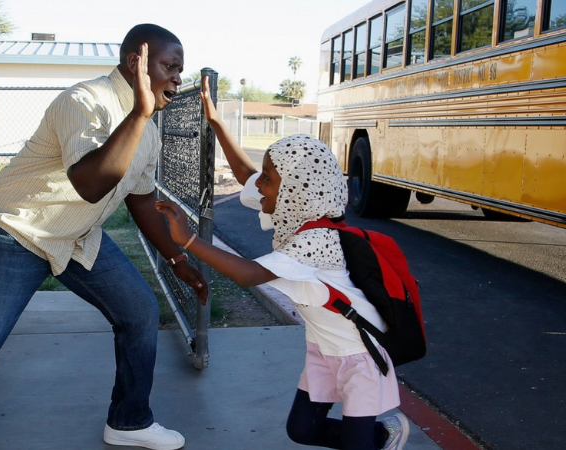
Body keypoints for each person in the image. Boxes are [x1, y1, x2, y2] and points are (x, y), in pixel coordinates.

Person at [0, 24, 207, 450]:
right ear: (137, 62)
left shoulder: (149, 131)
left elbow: (142, 200)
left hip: (76, 235)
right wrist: (138, 113)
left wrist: (176, 258)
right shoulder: (84, 102)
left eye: (180, 70)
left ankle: (129, 422)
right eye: (170, 67)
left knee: (139, 312)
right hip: (19, 229)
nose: (177, 78)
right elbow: (90, 184)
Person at [154, 78, 409, 450]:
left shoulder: (316, 239)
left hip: (360, 355)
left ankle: (379, 436)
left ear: (294, 189)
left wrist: (188, 240)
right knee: (301, 431)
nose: (260, 187)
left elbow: (248, 275)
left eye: (269, 179)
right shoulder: (295, 210)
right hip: (324, 349)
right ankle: (383, 436)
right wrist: (217, 123)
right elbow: (248, 177)